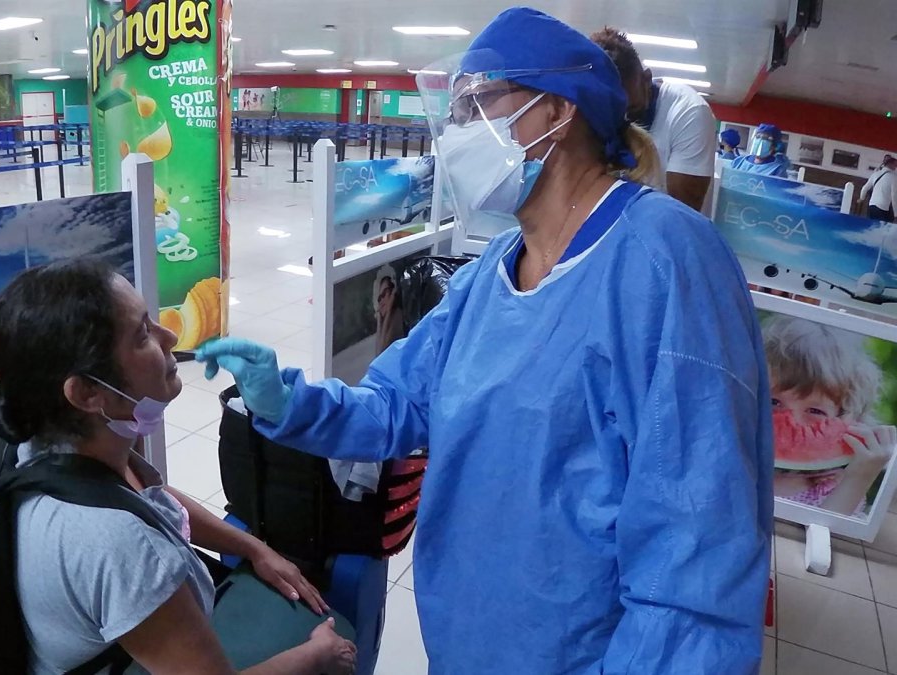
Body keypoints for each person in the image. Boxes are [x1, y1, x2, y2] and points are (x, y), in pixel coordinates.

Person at [199, 7, 772, 674]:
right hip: (468, 629)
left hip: (579, 649)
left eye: (477, 103)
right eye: (456, 109)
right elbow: (398, 403)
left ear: (556, 110)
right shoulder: (492, 272)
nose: (458, 130)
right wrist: (287, 401)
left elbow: (698, 545)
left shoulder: (666, 260)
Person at [0, 256, 356, 675]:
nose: (169, 336)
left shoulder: (50, 442)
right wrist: (319, 654)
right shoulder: (119, 546)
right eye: (142, 334)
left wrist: (254, 547)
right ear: (87, 393)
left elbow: (149, 498)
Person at [766, 314, 896, 517]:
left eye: (815, 411)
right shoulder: (731, 459)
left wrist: (860, 476)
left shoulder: (833, 489)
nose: (793, 421)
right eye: (773, 402)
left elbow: (828, 529)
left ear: (846, 419)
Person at [591, 27, 717, 211]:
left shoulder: (690, 112)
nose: (622, 119)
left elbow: (681, 210)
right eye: (613, 111)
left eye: (630, 109)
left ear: (647, 79)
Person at [859, 154, 897, 221]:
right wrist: (896, 214)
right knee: (881, 225)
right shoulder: (894, 177)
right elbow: (894, 196)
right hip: (883, 207)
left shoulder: (876, 174)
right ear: (890, 164)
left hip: (872, 205)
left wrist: (861, 199)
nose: (895, 167)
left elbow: (864, 188)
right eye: (895, 165)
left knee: (872, 224)